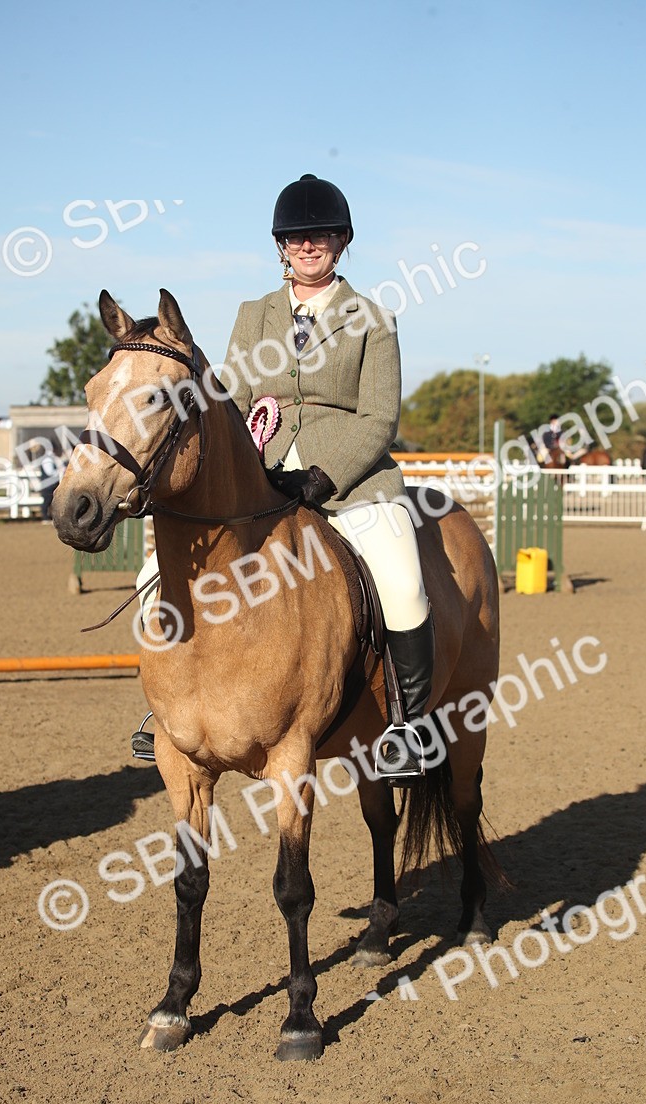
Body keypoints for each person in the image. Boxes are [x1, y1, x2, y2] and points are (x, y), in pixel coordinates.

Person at [135, 173, 436, 779]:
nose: (309, 245)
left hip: (351, 482)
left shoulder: (373, 318)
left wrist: (327, 476)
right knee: (154, 573)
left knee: (402, 581)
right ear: (280, 246)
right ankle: (167, 710)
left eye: (321, 235)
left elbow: (380, 417)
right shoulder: (254, 315)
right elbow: (233, 399)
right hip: (263, 478)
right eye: (297, 237)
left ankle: (409, 725)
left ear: (343, 241)